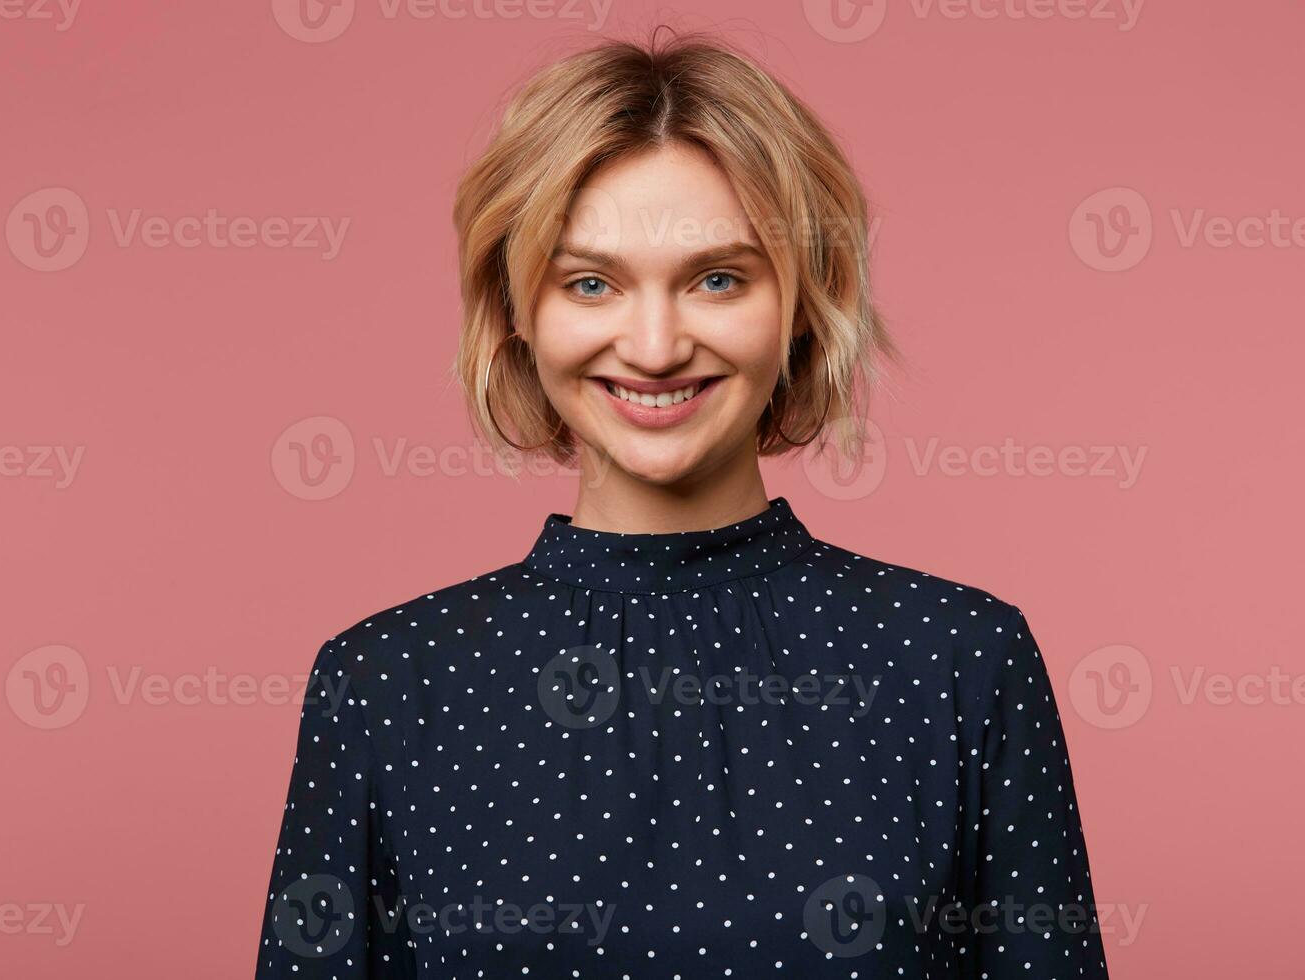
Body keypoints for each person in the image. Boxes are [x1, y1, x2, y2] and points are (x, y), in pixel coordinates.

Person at [254, 29, 1109, 979]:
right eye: (590, 282)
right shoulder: (382, 684)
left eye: (717, 279)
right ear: (517, 315)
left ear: (802, 304)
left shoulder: (960, 661)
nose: (655, 346)